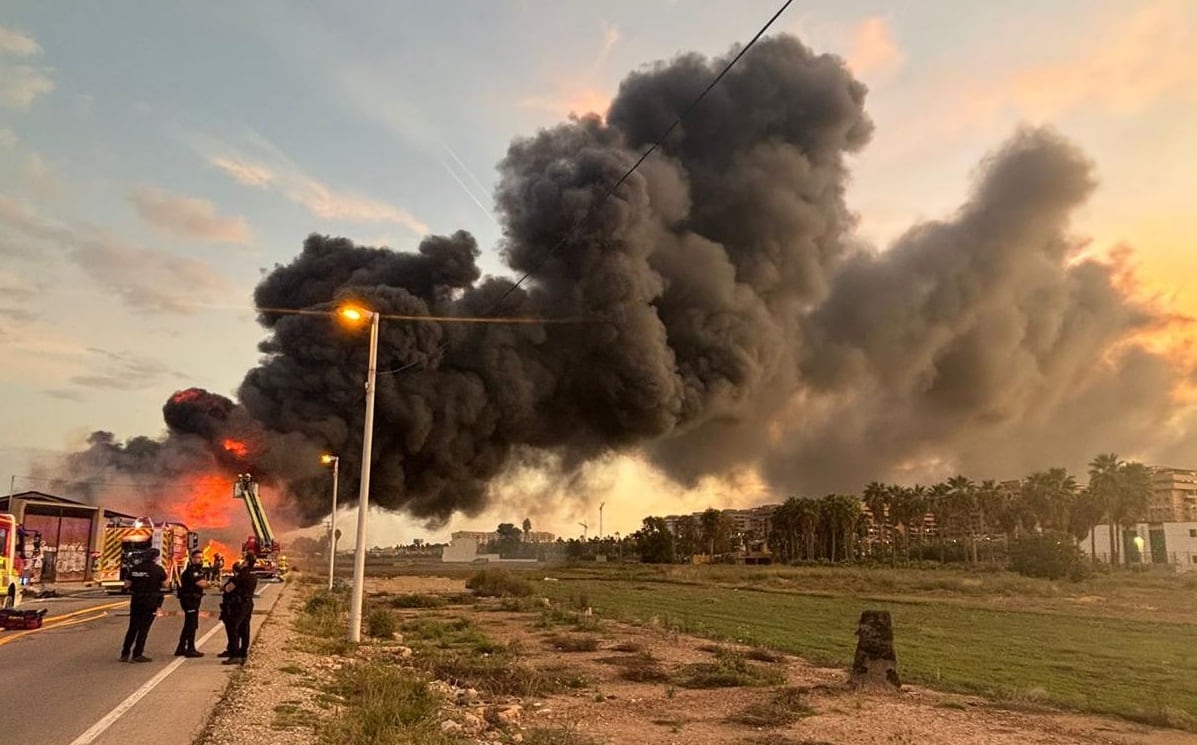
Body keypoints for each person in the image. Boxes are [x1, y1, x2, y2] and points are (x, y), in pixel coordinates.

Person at [120, 548, 167, 663]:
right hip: (150, 601)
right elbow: (165, 584)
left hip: (136, 600)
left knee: (133, 627)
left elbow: (126, 585)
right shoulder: (158, 569)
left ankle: (125, 654)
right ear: (155, 557)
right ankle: (137, 654)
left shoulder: (135, 568)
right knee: (144, 629)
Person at [221, 555, 258, 665]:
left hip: (239, 605)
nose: (242, 563)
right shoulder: (253, 576)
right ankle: (243, 653)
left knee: (233, 628)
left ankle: (235, 655)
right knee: (245, 628)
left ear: (246, 562)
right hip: (248, 604)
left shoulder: (242, 575)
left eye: (243, 561)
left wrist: (224, 587)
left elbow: (228, 588)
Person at [174, 549, 208, 657]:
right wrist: (212, 584)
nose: (200, 560)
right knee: (192, 624)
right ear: (192, 558)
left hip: (194, 600)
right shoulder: (191, 571)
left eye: (201, 557)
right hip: (189, 600)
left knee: (189, 624)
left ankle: (181, 647)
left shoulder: (198, 570)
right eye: (198, 557)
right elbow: (201, 583)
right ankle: (190, 649)